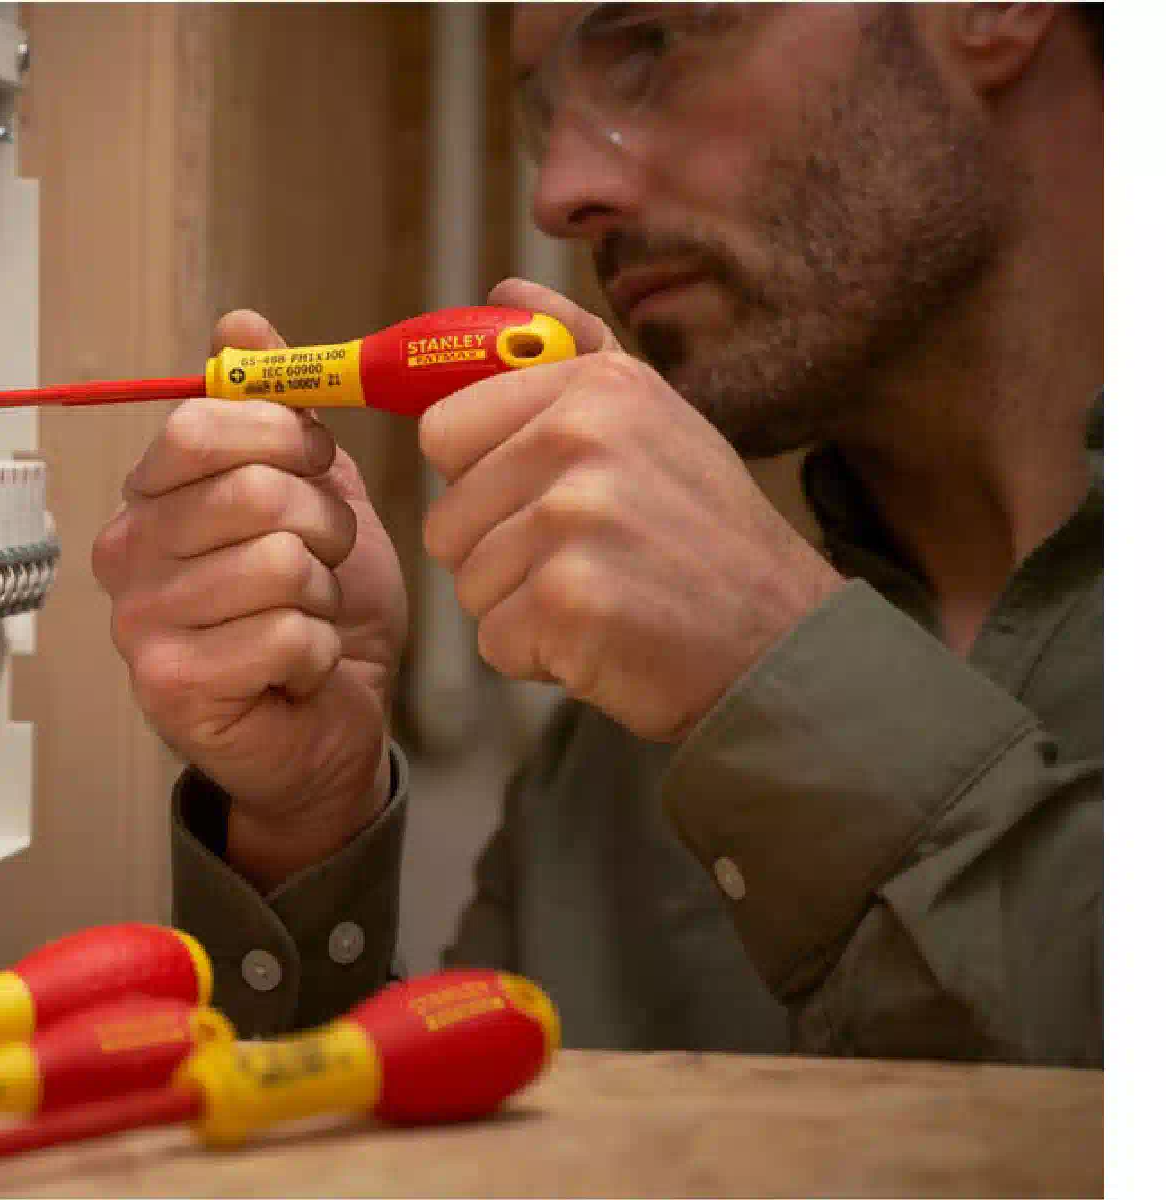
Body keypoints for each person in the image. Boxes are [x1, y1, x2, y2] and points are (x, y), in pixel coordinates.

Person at [92, 3, 1102, 1065]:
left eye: (654, 44)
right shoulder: (628, 713)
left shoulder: (709, 652)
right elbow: (480, 1134)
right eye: (542, 108)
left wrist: (782, 676)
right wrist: (304, 831)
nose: (559, 193)